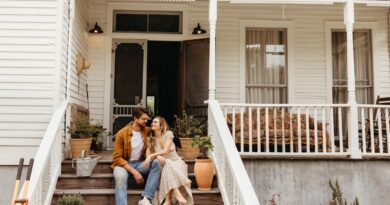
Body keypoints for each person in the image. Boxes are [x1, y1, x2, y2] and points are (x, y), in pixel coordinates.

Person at [111, 107, 162, 205]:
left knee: (157, 163)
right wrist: (134, 172)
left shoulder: (147, 131)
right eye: (143, 119)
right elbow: (117, 158)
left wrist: (166, 155)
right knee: (120, 178)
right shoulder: (121, 134)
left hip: (140, 164)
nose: (146, 121)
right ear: (135, 118)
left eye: (147, 119)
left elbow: (162, 133)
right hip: (123, 165)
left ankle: (146, 198)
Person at [144, 116, 194, 205]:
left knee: (168, 163)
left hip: (176, 162)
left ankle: (168, 200)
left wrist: (153, 155)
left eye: (155, 122)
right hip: (163, 164)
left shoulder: (168, 134)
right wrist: (156, 157)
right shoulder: (151, 138)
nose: (152, 123)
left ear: (161, 125)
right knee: (167, 163)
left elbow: (166, 150)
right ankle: (174, 192)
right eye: (152, 122)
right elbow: (147, 154)